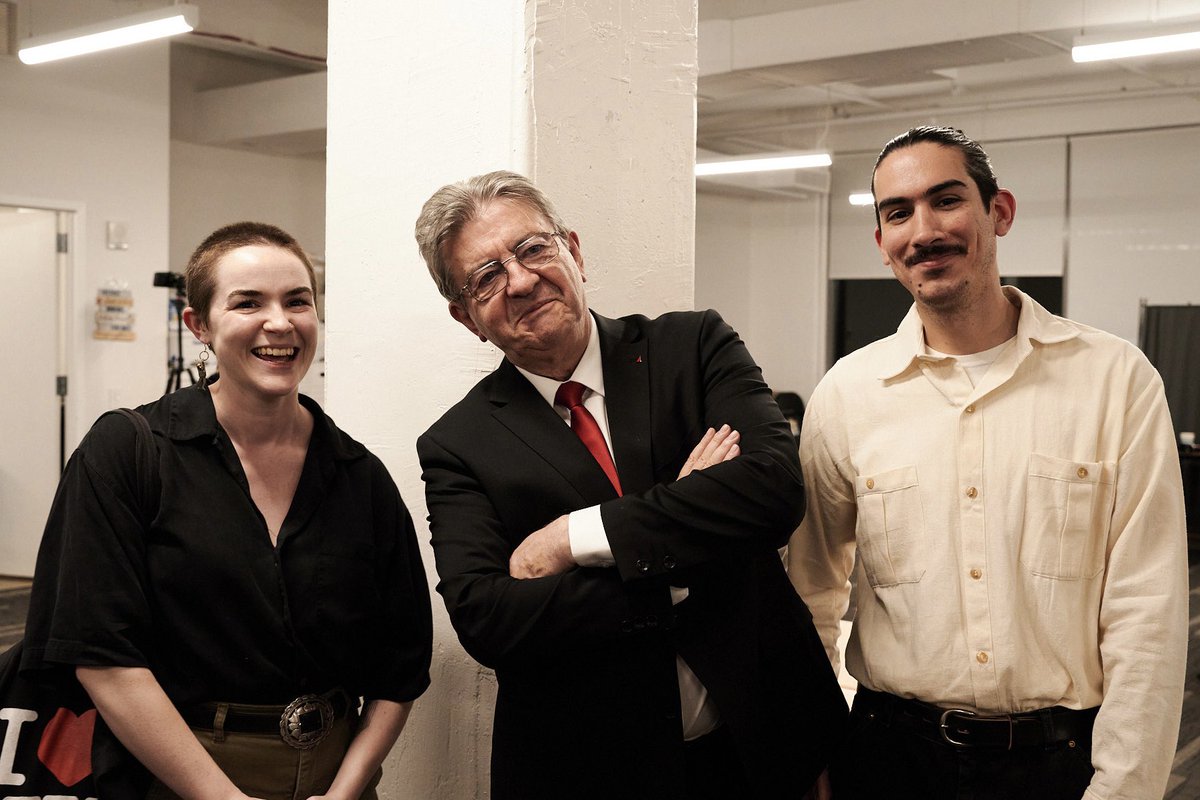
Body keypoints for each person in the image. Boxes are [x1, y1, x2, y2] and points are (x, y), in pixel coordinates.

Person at [412, 171, 846, 800]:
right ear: (466, 317)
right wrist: (683, 555)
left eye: (533, 248)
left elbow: (773, 490)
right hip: (590, 772)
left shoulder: (692, 347)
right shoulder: (459, 444)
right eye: (486, 276)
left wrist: (573, 539)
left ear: (574, 251)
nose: (522, 280)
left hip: (767, 751)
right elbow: (489, 620)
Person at [787, 126, 1188, 799]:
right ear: (883, 244)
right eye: (898, 213)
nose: (923, 231)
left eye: (946, 201)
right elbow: (810, 595)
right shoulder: (847, 396)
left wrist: (1126, 788)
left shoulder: (1116, 381)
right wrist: (811, 754)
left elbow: (1147, 609)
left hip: (1059, 766)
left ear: (998, 211)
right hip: (887, 761)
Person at [23, 222, 433, 800]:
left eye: (298, 301)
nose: (280, 322)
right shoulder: (129, 451)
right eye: (248, 303)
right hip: (175, 775)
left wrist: (345, 790)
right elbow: (101, 655)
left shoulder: (358, 476)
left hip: (335, 776)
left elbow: (401, 666)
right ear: (200, 326)